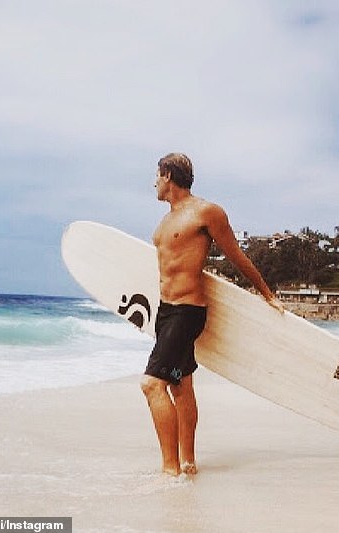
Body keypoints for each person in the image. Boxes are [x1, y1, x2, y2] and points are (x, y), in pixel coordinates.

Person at [140, 152, 284, 476]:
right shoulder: (163, 222)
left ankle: (169, 470)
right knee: (180, 384)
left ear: (167, 175)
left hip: (188, 311)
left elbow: (236, 256)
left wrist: (268, 295)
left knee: (151, 384)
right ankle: (188, 463)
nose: (153, 183)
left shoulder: (206, 212)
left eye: (156, 175)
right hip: (166, 312)